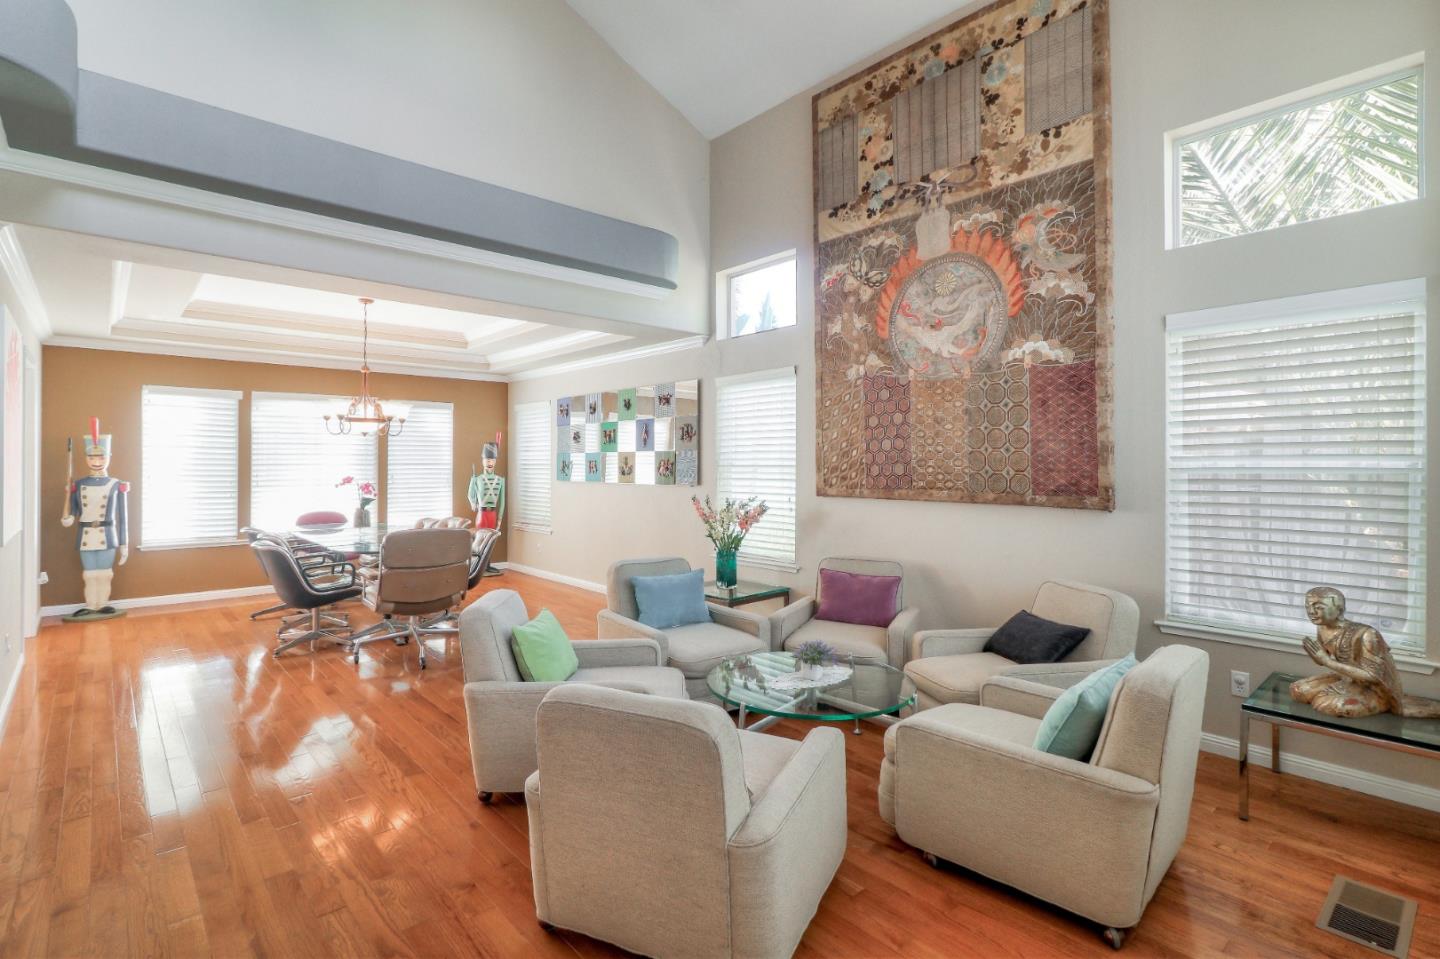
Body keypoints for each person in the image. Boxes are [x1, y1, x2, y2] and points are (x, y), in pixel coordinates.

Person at [1291, 586, 1440, 719]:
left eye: (1319, 607)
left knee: (1335, 705)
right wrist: (1318, 657)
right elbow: (1324, 658)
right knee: (1298, 690)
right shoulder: (1322, 627)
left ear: (1339, 610)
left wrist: (1327, 662)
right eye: (1308, 606)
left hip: (1373, 689)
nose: (1311, 611)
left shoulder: (1367, 634)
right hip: (1346, 679)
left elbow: (1373, 676)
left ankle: (1382, 705)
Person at [60, 418, 130, 619]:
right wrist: (67, 515)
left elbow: (123, 517)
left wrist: (124, 544)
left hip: (108, 535)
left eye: (101, 457)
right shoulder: (79, 484)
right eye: (92, 457)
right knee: (89, 575)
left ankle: (103, 604)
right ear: (86, 458)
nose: (97, 461)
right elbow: (71, 514)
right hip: (86, 535)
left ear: (108, 457)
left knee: (105, 573)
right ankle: (92, 606)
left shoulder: (117, 484)